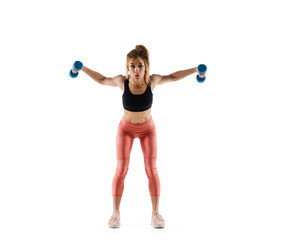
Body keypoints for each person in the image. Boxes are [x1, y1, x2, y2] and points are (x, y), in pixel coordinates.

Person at [77, 45, 205, 228]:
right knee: (121, 169)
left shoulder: (152, 81)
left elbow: (173, 77)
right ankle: (115, 214)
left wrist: (194, 71)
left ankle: (155, 214)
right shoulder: (122, 82)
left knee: (151, 169)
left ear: (146, 67)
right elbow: (102, 79)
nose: (136, 70)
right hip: (126, 130)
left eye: (140, 66)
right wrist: (82, 68)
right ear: (127, 67)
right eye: (132, 66)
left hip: (147, 130)